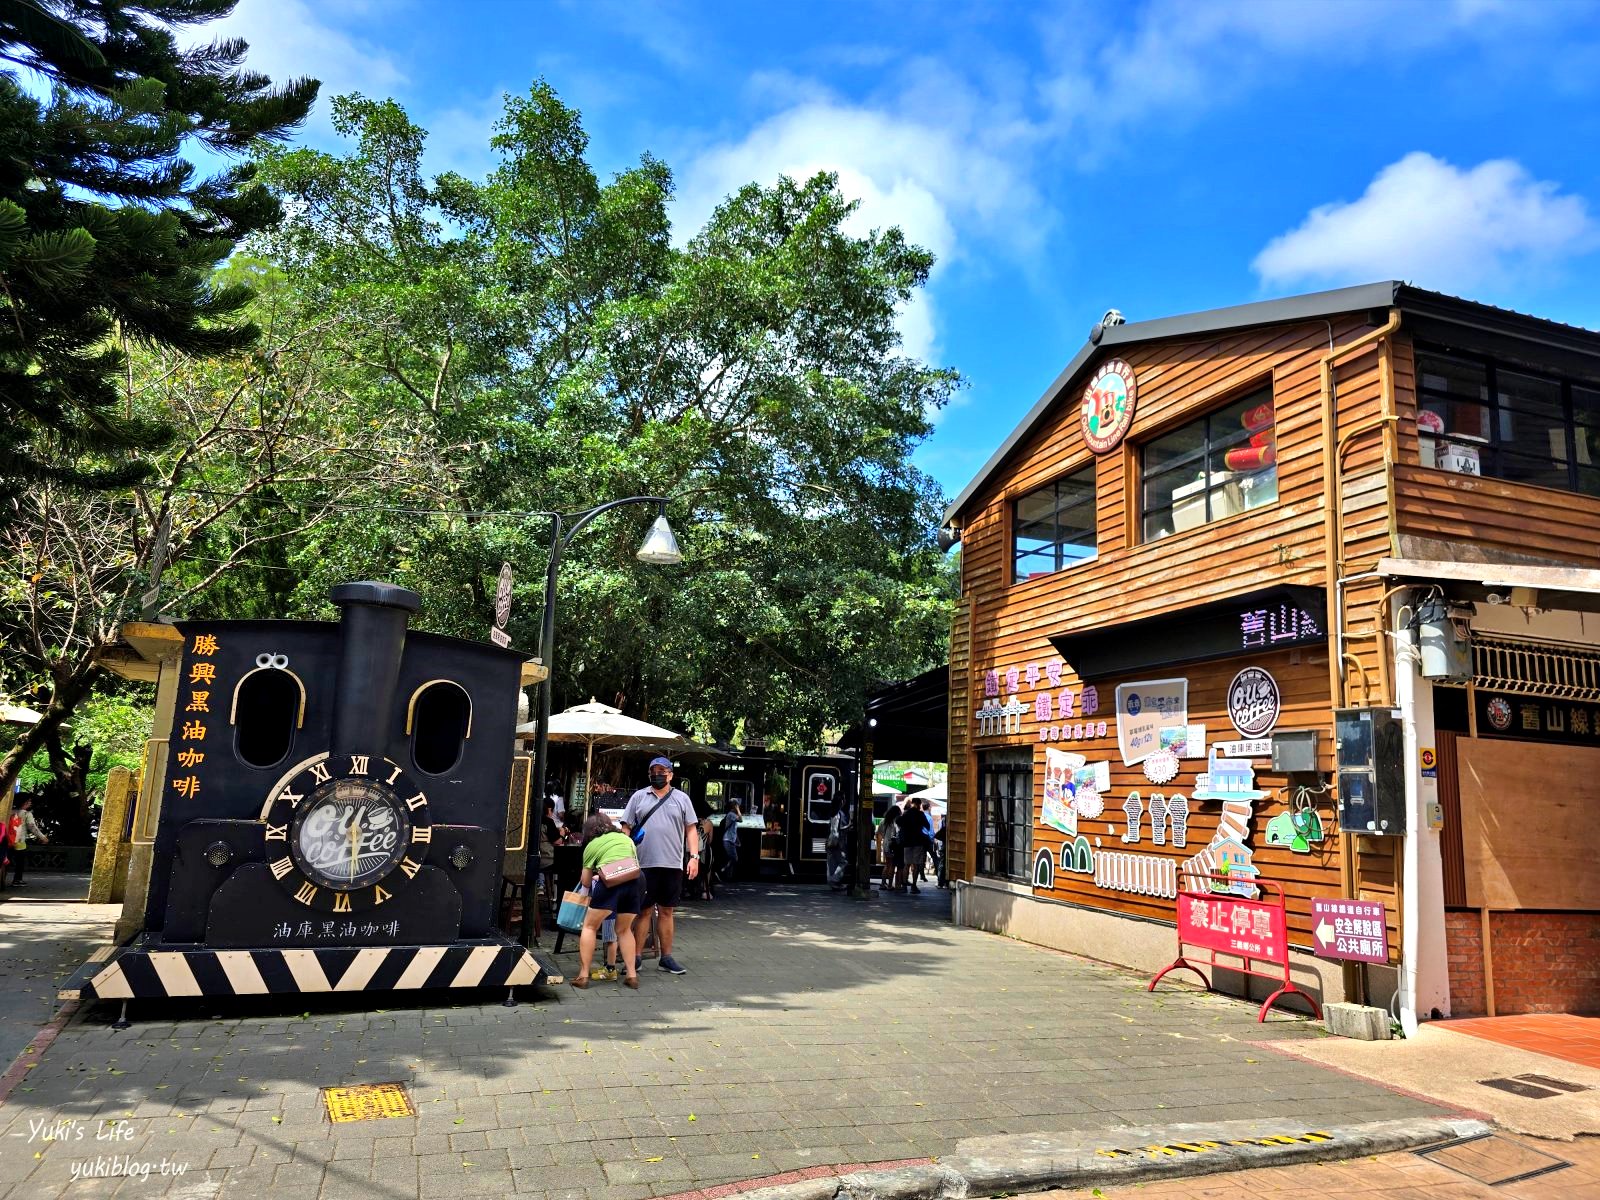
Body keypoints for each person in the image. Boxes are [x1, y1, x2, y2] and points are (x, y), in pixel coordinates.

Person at [621, 756, 699, 976]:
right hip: (643, 863)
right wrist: (622, 854)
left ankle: (666, 957)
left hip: (672, 864)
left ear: (671, 774)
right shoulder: (638, 797)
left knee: (667, 911)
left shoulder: (682, 799)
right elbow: (626, 828)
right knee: (643, 911)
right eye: (653, 771)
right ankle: (635, 957)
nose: (657, 774)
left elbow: (691, 830)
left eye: (662, 770)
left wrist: (694, 857)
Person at [571, 812, 642, 990]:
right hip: (636, 881)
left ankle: (583, 975)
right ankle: (632, 976)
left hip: (610, 883)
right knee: (624, 930)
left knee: (590, 926)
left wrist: (595, 877)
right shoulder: (626, 839)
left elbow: (586, 882)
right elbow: (630, 865)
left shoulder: (592, 846)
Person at [8, 799, 46, 886]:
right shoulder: (26, 814)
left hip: (7, 840)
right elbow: (32, 827)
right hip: (19, 841)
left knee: (5, 861)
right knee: (20, 862)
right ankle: (17, 880)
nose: (30, 803)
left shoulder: (9, 811)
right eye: (28, 801)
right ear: (24, 802)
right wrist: (42, 837)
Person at [896, 797, 927, 894]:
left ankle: (904, 885)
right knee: (916, 865)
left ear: (912, 803)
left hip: (907, 842)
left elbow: (898, 821)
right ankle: (913, 886)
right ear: (919, 804)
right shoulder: (920, 814)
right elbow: (927, 825)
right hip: (917, 842)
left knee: (906, 864)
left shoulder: (906, 813)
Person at [878, 802, 901, 890]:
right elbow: (895, 834)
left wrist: (884, 836)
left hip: (886, 844)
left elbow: (879, 832)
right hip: (892, 845)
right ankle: (890, 885)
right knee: (891, 865)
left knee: (887, 864)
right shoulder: (894, 822)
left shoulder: (883, 821)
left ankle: (883, 883)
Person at [719, 802, 742, 883]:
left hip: (731, 840)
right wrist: (738, 809)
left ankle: (728, 877)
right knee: (734, 858)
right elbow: (741, 819)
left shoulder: (732, 816)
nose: (738, 807)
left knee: (730, 858)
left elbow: (734, 830)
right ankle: (723, 870)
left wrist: (737, 840)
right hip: (727, 840)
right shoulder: (731, 814)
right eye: (737, 805)